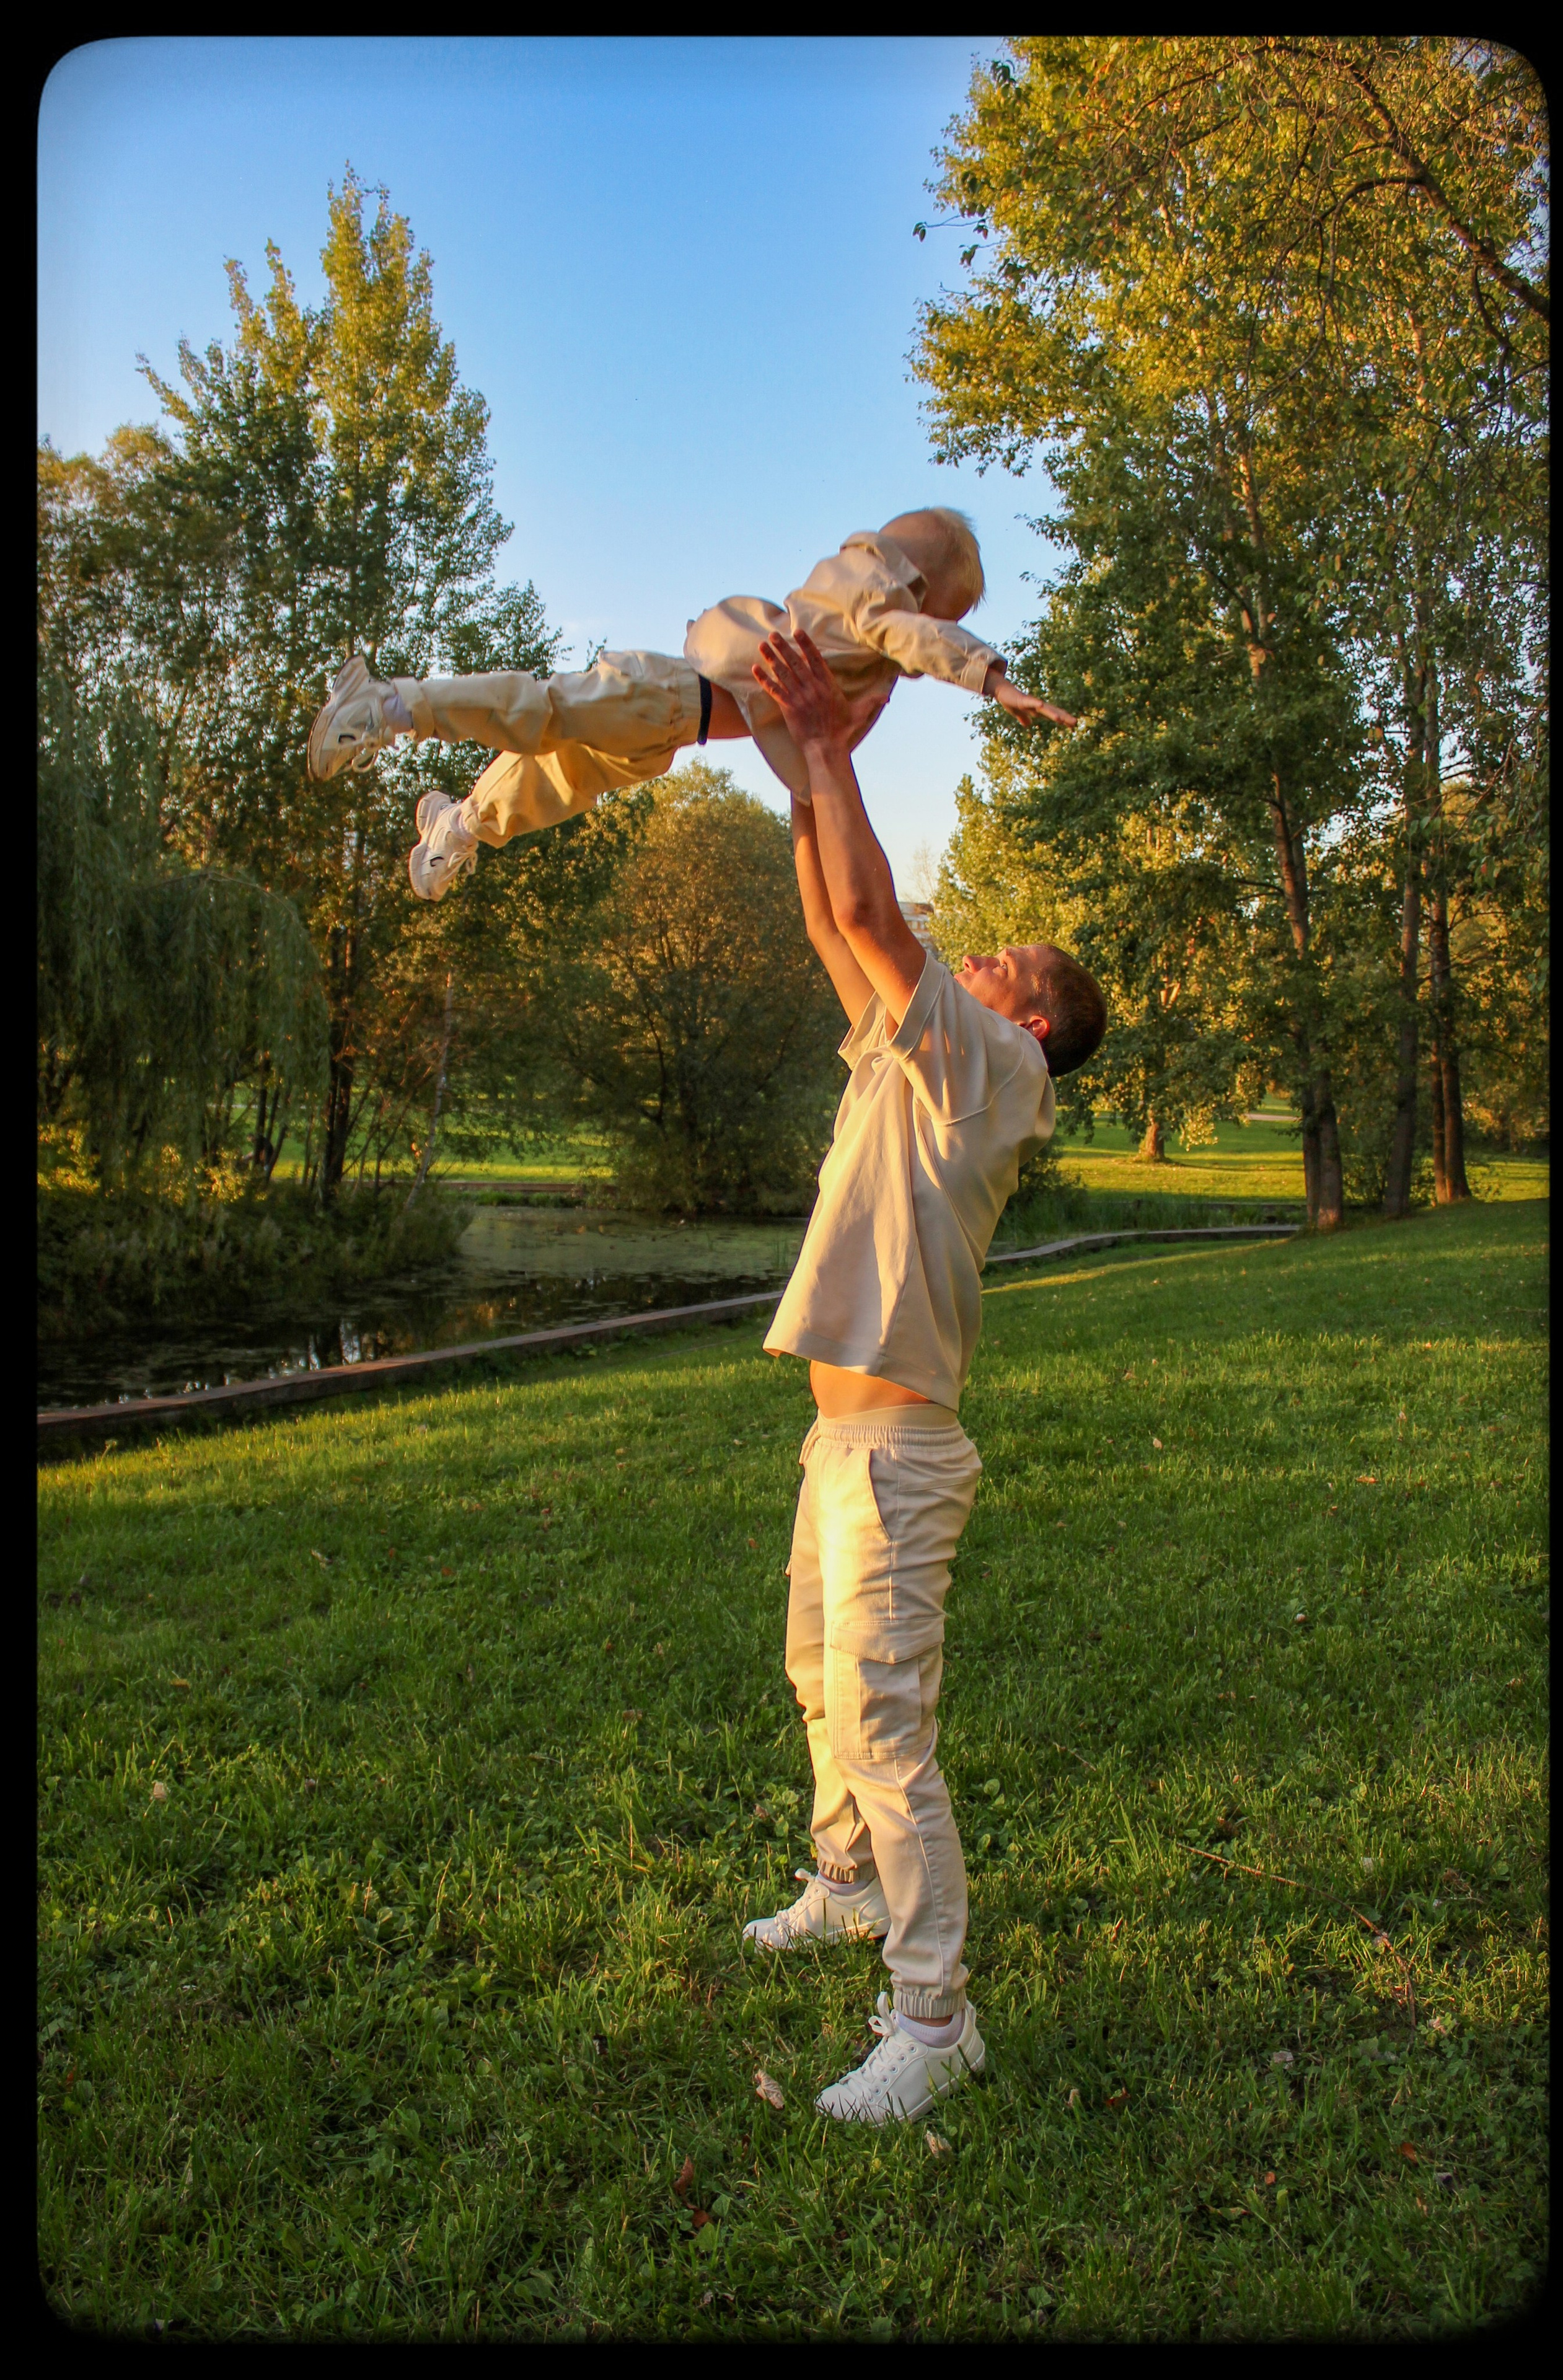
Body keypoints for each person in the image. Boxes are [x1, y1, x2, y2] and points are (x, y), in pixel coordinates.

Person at [739, 628, 1106, 2125]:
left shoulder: (995, 1074)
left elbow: (885, 914)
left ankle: (933, 2014)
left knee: (886, 1726)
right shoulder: (911, 1057)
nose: (989, 951)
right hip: (842, 1448)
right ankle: (839, 1885)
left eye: (1010, 963)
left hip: (897, 1453)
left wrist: (833, 744)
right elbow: (840, 918)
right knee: (818, 1683)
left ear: (1026, 1023)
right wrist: (794, 768)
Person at [303, 508, 1075, 899]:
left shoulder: (862, 627)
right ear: (921, 584)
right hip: (671, 693)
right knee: (544, 713)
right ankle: (393, 705)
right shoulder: (875, 600)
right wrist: (990, 677)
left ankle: (460, 824)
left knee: (561, 777)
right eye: (951, 611)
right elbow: (910, 636)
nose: (943, 629)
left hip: (678, 727)